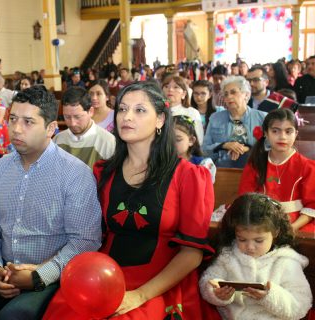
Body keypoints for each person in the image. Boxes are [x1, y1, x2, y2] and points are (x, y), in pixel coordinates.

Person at [44, 81, 217, 319]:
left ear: (160, 120)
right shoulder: (103, 172)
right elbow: (86, 234)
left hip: (159, 282)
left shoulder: (189, 176)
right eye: (123, 109)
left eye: (140, 110)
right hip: (102, 274)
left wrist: (140, 295)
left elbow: (192, 254)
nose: (127, 117)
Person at [0, 86, 102, 319]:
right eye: (13, 119)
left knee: (13, 317)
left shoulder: (74, 174)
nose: (16, 129)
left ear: (51, 128)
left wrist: (39, 275)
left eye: (28, 122)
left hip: (50, 277)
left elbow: (85, 240)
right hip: (2, 270)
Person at [199, 193, 312, 320]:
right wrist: (216, 294)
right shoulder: (227, 256)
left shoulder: (287, 262)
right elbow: (207, 281)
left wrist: (270, 296)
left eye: (258, 241)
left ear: (275, 232)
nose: (250, 247)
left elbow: (301, 305)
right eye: (242, 239)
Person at [238, 108, 315, 232]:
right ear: (266, 133)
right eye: (275, 131)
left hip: (297, 225)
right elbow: (245, 199)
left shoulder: (308, 166)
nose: (282, 137)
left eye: (288, 131)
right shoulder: (255, 163)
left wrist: (291, 228)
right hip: (259, 223)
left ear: (296, 133)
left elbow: (312, 205)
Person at [203, 76, 266, 168]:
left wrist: (247, 149)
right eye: (225, 94)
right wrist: (224, 145)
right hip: (223, 171)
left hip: (255, 169)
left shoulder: (263, 118)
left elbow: (270, 147)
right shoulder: (215, 118)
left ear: (247, 95)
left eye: (233, 92)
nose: (229, 97)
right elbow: (204, 149)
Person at [53, 86, 115, 168]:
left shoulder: (107, 142)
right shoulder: (58, 140)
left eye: (77, 117)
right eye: (67, 117)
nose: (72, 123)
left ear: (91, 112)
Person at [162, 75, 204, 144]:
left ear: (184, 94)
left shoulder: (192, 112)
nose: (170, 90)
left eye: (176, 87)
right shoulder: (156, 111)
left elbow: (199, 139)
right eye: (166, 86)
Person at [174, 115, 216, 183]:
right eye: (168, 140)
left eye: (178, 139)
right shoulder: (162, 163)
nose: (172, 144)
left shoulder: (201, 164)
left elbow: (206, 188)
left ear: (191, 140)